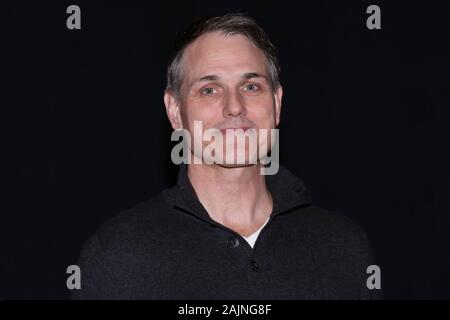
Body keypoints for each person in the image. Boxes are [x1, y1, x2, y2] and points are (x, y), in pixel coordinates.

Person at [72, 13, 382, 299]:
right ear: (175, 111)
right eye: (209, 89)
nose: (234, 107)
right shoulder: (118, 255)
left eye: (251, 86)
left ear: (277, 103)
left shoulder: (343, 247)